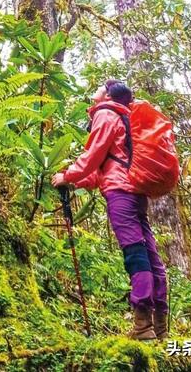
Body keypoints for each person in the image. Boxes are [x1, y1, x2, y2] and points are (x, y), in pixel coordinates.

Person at [52, 79, 168, 341]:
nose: (95, 89)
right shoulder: (125, 120)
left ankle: (143, 325)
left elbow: (92, 157)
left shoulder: (106, 113)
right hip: (135, 191)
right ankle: (160, 325)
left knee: (135, 253)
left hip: (120, 194)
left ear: (107, 94)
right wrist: (73, 181)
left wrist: (68, 175)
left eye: (100, 86)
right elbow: (99, 172)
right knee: (149, 253)